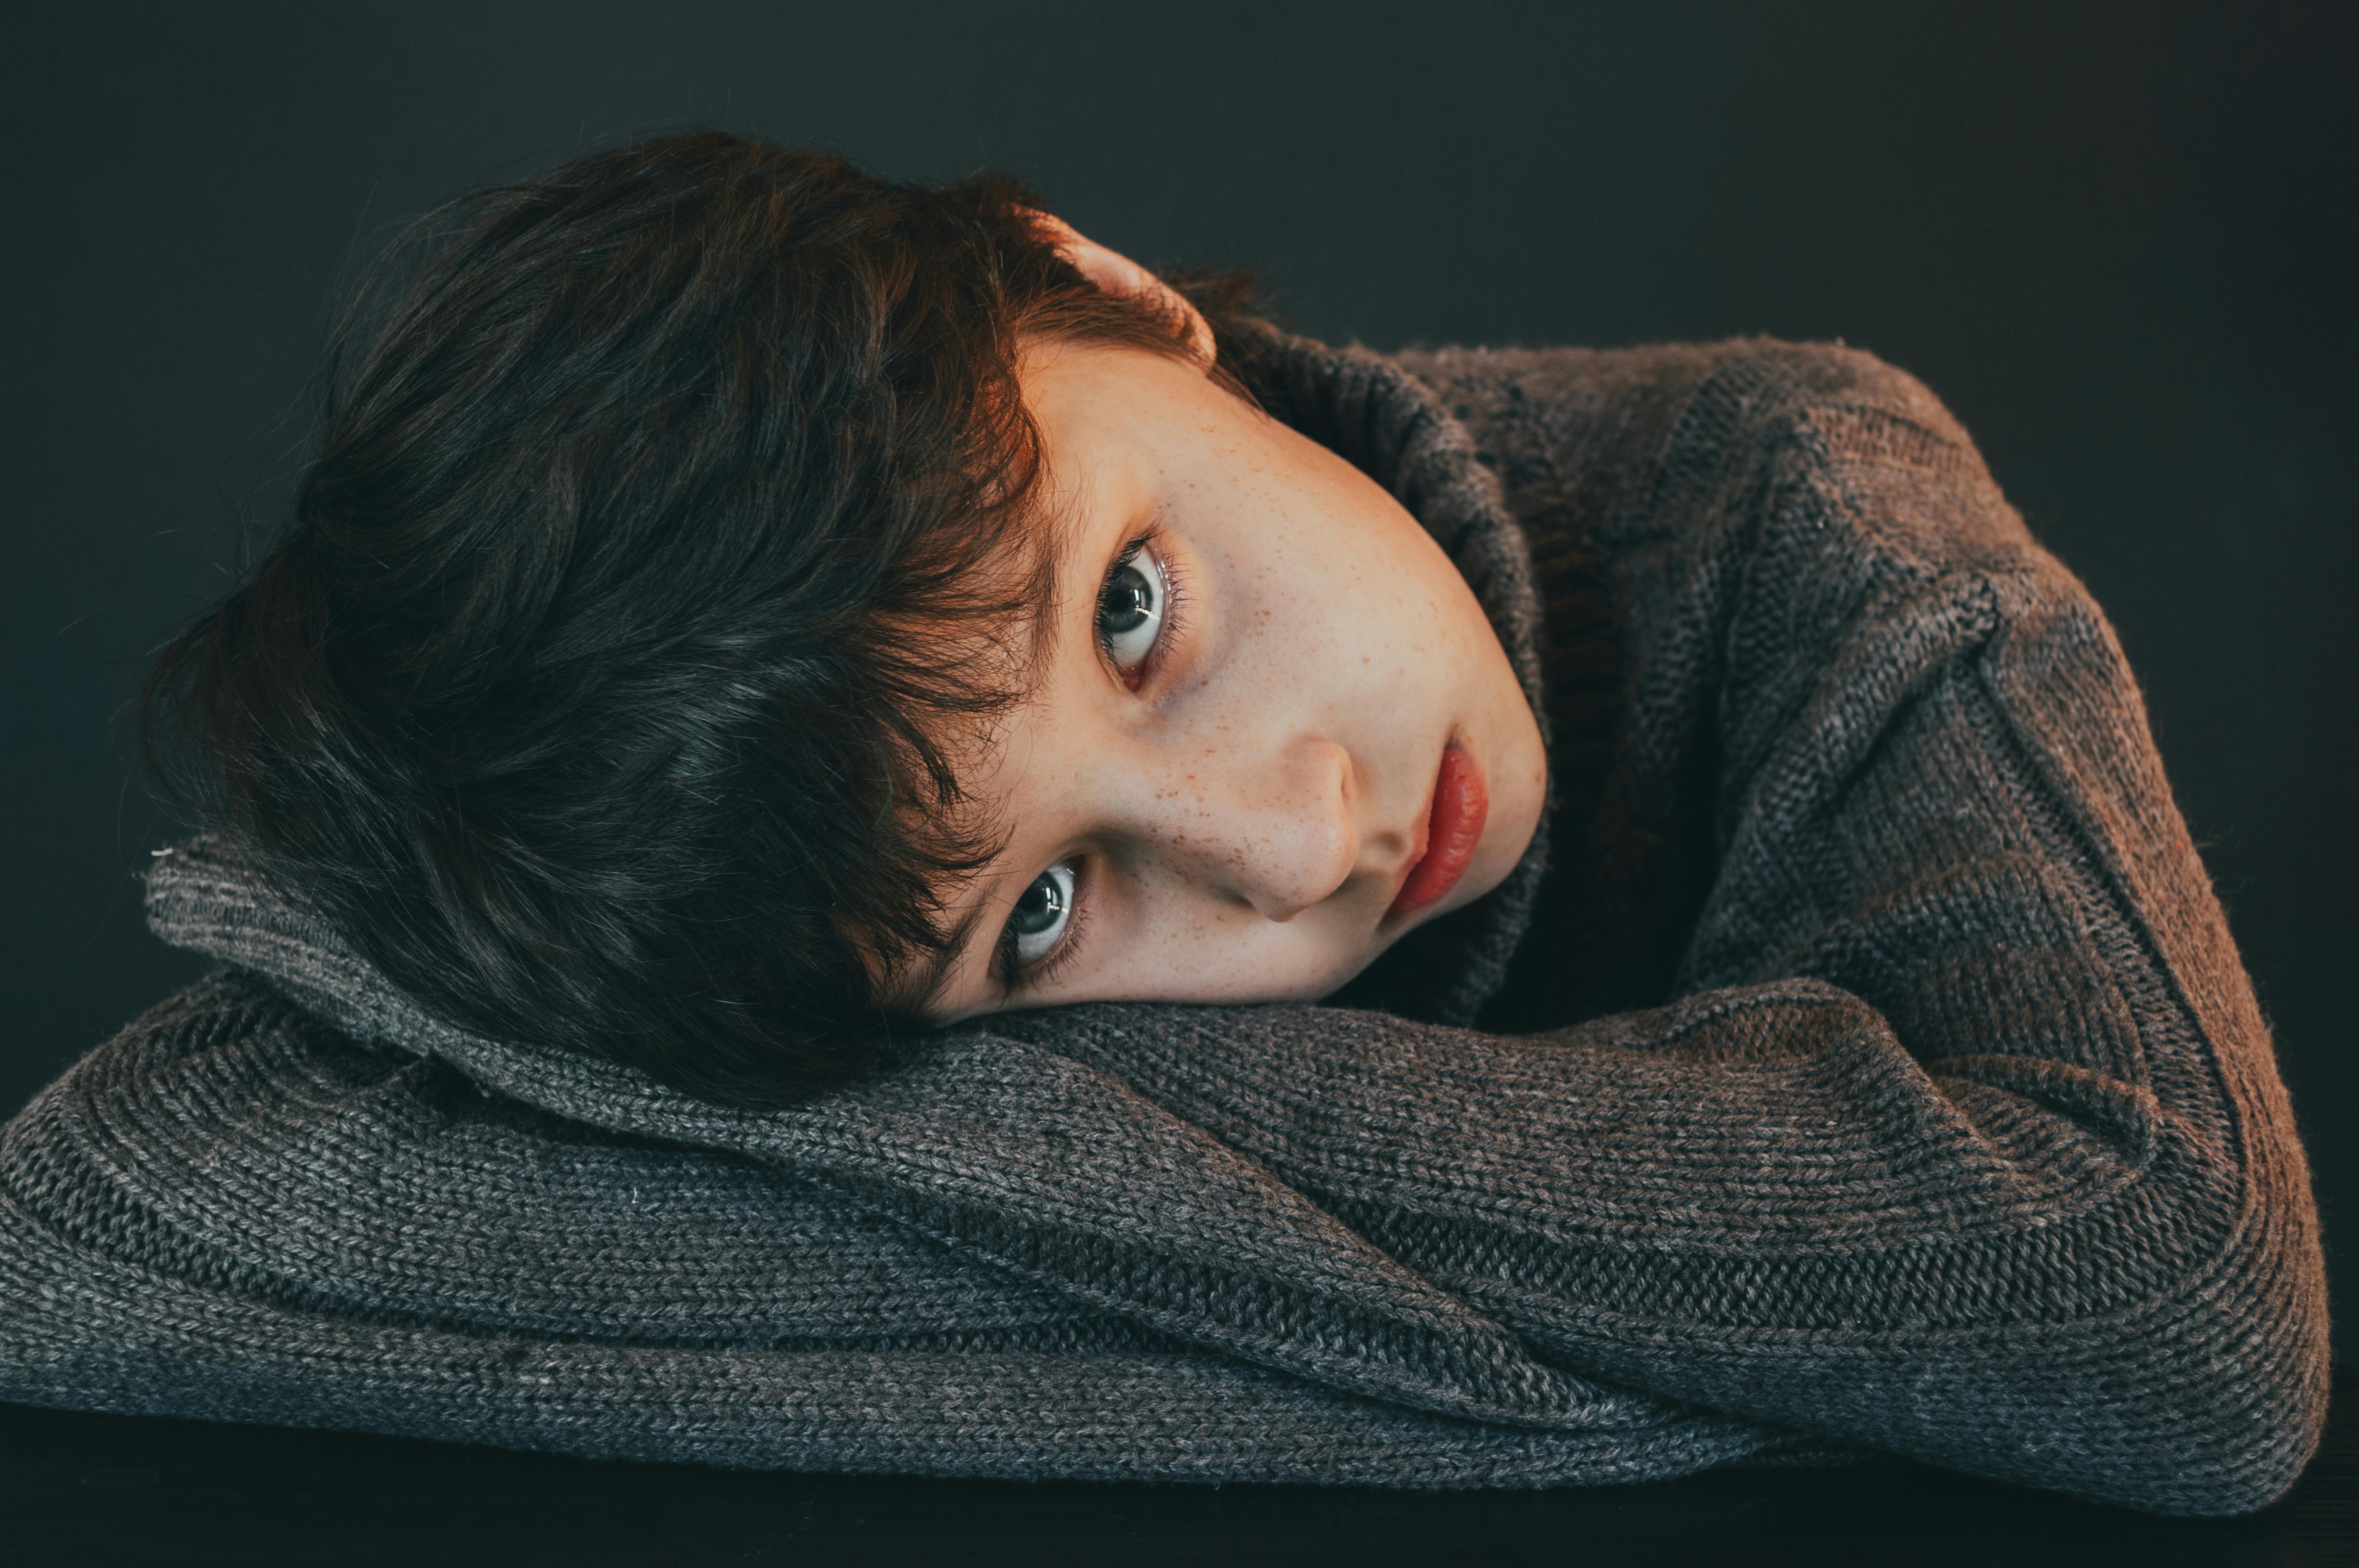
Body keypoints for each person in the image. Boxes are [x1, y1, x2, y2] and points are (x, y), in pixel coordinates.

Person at [0, 132, 2327, 1515]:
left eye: (1134, 609)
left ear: (1094, 284)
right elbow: (84, 1230)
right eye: (1040, 916)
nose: (1291, 841)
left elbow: (2162, 1301)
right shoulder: (786, 942)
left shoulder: (1798, 504)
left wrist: (942, 1130)